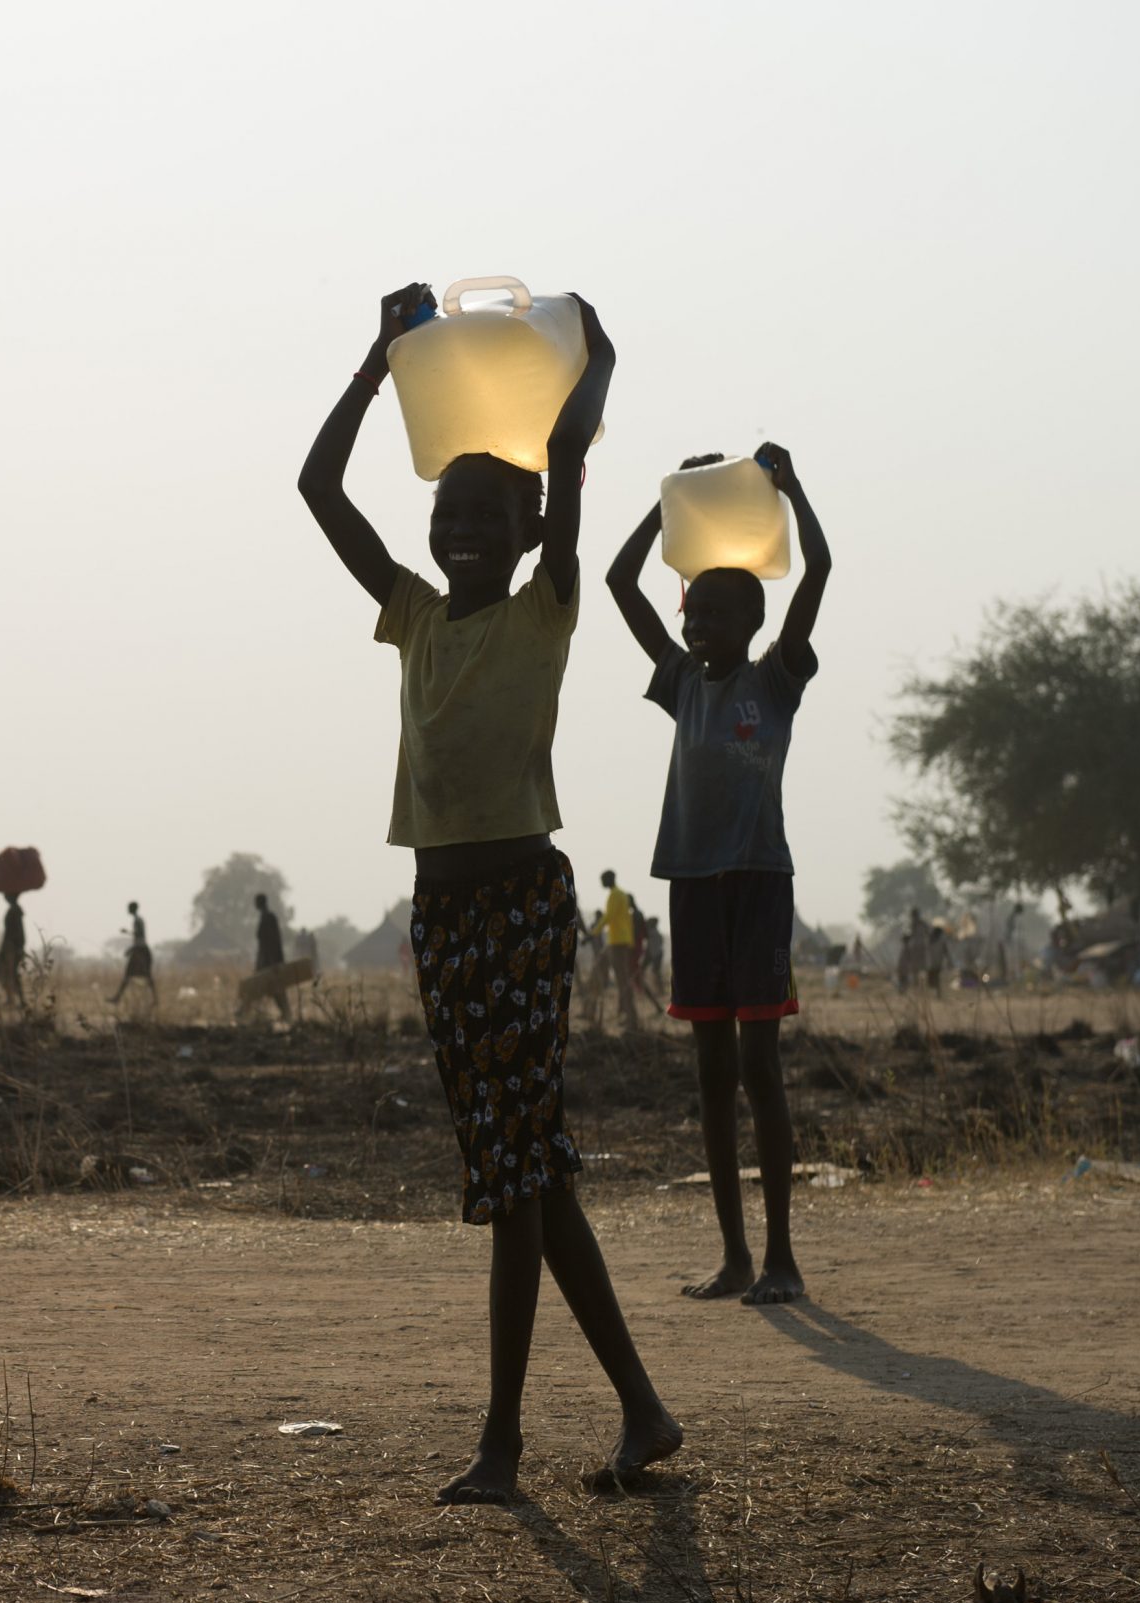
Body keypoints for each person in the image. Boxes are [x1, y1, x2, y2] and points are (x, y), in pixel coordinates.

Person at [299, 280, 676, 1503]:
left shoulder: (546, 607)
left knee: (520, 1177)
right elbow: (317, 493)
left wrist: (587, 368)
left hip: (516, 907)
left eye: (486, 514)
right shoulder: (410, 617)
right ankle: (623, 1414)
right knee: (520, 1175)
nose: (461, 527)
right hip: (444, 920)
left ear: (523, 535)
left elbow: (566, 460)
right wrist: (373, 365)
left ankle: (514, 1442)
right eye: (447, 511)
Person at [607, 443, 831, 1308]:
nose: (695, 624)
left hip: (758, 881)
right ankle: (734, 1256)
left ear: (750, 621)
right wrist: (671, 507)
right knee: (709, 1076)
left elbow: (820, 571)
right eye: (691, 609)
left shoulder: (774, 681)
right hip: (693, 882)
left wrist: (792, 487)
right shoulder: (679, 685)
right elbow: (622, 585)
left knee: (760, 1069)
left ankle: (781, 1258)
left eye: (711, 613)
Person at [592, 870, 643, 1029]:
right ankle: (589, 1012)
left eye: (602, 879)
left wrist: (593, 933)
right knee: (597, 973)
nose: (601, 882)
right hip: (616, 941)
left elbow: (609, 916)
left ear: (608, 879)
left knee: (623, 981)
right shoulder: (620, 895)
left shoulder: (616, 894)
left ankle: (632, 1020)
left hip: (618, 943)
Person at [109, 900, 156, 1008]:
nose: (128, 910)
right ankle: (154, 999)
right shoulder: (138, 920)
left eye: (129, 908)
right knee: (143, 976)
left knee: (130, 975)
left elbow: (139, 935)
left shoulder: (137, 920)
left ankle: (117, 998)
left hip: (139, 949)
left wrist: (131, 946)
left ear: (133, 909)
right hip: (140, 949)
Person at [254, 892, 292, 1022]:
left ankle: (286, 1014)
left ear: (259, 903)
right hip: (266, 960)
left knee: (275, 988)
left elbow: (272, 941)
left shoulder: (268, 918)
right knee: (269, 988)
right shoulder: (266, 917)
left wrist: (273, 961)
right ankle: (283, 1014)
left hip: (269, 961)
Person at [0, 894, 27, 1008]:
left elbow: (17, 933)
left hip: (12, 947)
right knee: (5, 971)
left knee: (10, 973)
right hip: (9, 946)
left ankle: (18, 1000)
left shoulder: (15, 911)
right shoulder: (14, 910)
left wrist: (16, 948)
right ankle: (12, 998)